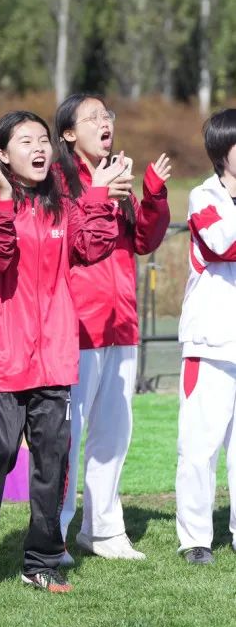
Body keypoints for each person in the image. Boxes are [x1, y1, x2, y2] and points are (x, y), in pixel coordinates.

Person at [0, 110, 125, 594]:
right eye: (25, 140)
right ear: (2, 155)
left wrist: (98, 198)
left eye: (44, 140)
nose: (39, 148)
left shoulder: (63, 204)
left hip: (53, 353)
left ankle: (42, 561)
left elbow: (92, 248)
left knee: (53, 458)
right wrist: (7, 201)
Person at [55, 93, 170, 562]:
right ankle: (53, 533)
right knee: (66, 436)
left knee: (113, 436)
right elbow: (80, 247)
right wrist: (99, 195)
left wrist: (154, 194)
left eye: (108, 116)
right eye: (93, 117)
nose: (105, 123)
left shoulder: (116, 171)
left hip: (121, 323)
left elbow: (143, 239)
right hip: (78, 326)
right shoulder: (59, 181)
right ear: (68, 133)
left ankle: (103, 530)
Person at [176, 108, 236, 564]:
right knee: (200, 447)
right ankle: (196, 538)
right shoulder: (203, 197)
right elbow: (222, 244)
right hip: (210, 344)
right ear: (222, 152)